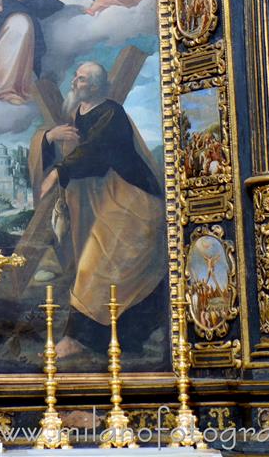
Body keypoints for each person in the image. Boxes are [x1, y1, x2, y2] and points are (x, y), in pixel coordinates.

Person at [28, 61, 166, 358]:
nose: (74, 82)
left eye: (81, 79)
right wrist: (50, 138)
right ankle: (119, 338)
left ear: (95, 86)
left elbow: (95, 151)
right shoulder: (75, 114)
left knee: (95, 266)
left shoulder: (112, 114)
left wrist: (57, 173)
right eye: (75, 76)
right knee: (101, 267)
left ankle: (77, 339)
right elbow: (57, 140)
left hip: (133, 200)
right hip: (106, 201)